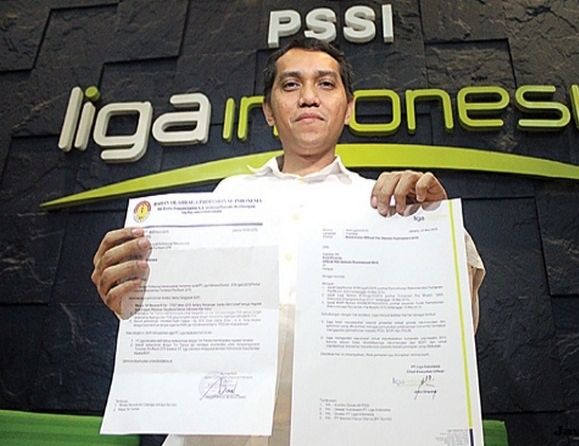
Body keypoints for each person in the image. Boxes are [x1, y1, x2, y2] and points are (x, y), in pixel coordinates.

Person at [91, 38, 485, 446]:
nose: (309, 97)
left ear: (349, 108)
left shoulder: (387, 204)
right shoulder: (227, 197)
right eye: (291, 84)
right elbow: (182, 318)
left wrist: (436, 230)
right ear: (268, 111)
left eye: (326, 84)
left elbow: (456, 330)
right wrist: (132, 297)